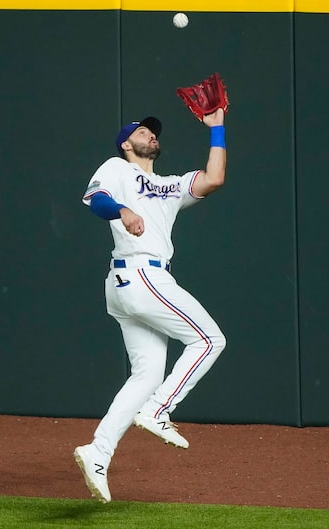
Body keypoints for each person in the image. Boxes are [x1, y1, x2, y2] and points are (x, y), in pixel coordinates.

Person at [74, 108, 228, 503]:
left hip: (135, 283)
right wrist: (122, 210)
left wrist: (217, 129)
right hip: (141, 274)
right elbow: (96, 199)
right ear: (128, 144)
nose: (150, 135)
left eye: (154, 133)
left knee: (145, 376)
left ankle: (98, 452)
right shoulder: (117, 168)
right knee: (210, 340)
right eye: (143, 132)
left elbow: (214, 178)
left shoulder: (169, 186)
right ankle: (159, 410)